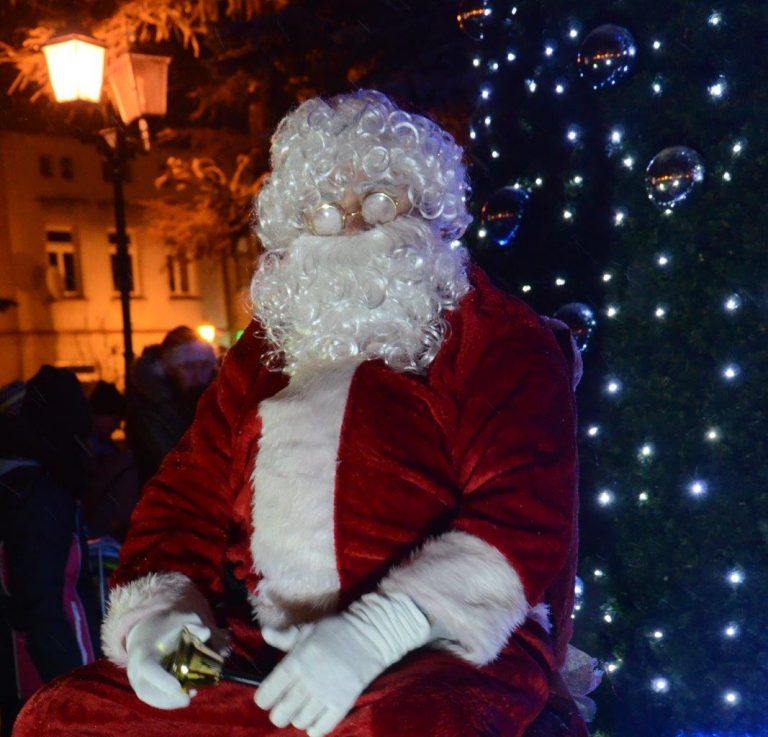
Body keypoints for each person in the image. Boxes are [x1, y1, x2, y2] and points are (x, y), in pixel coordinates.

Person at [14, 90, 592, 737]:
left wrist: (372, 635)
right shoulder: (261, 357)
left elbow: (520, 516)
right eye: (321, 211)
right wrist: (160, 624)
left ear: (423, 206)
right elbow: (186, 502)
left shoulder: (497, 336)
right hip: (260, 645)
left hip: (437, 652)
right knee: (65, 715)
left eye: (374, 202)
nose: (347, 227)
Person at [0, 367, 100, 737]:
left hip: (28, 675)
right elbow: (52, 601)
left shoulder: (23, 488)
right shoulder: (37, 496)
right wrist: (77, 694)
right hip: (47, 679)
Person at [127, 326, 218, 482]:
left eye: (204, 366)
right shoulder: (151, 407)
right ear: (169, 370)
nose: (198, 376)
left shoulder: (218, 401)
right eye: (188, 367)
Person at [83, 381, 140, 542]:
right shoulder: (94, 448)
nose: (117, 426)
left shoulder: (100, 446)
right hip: (100, 529)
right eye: (115, 419)